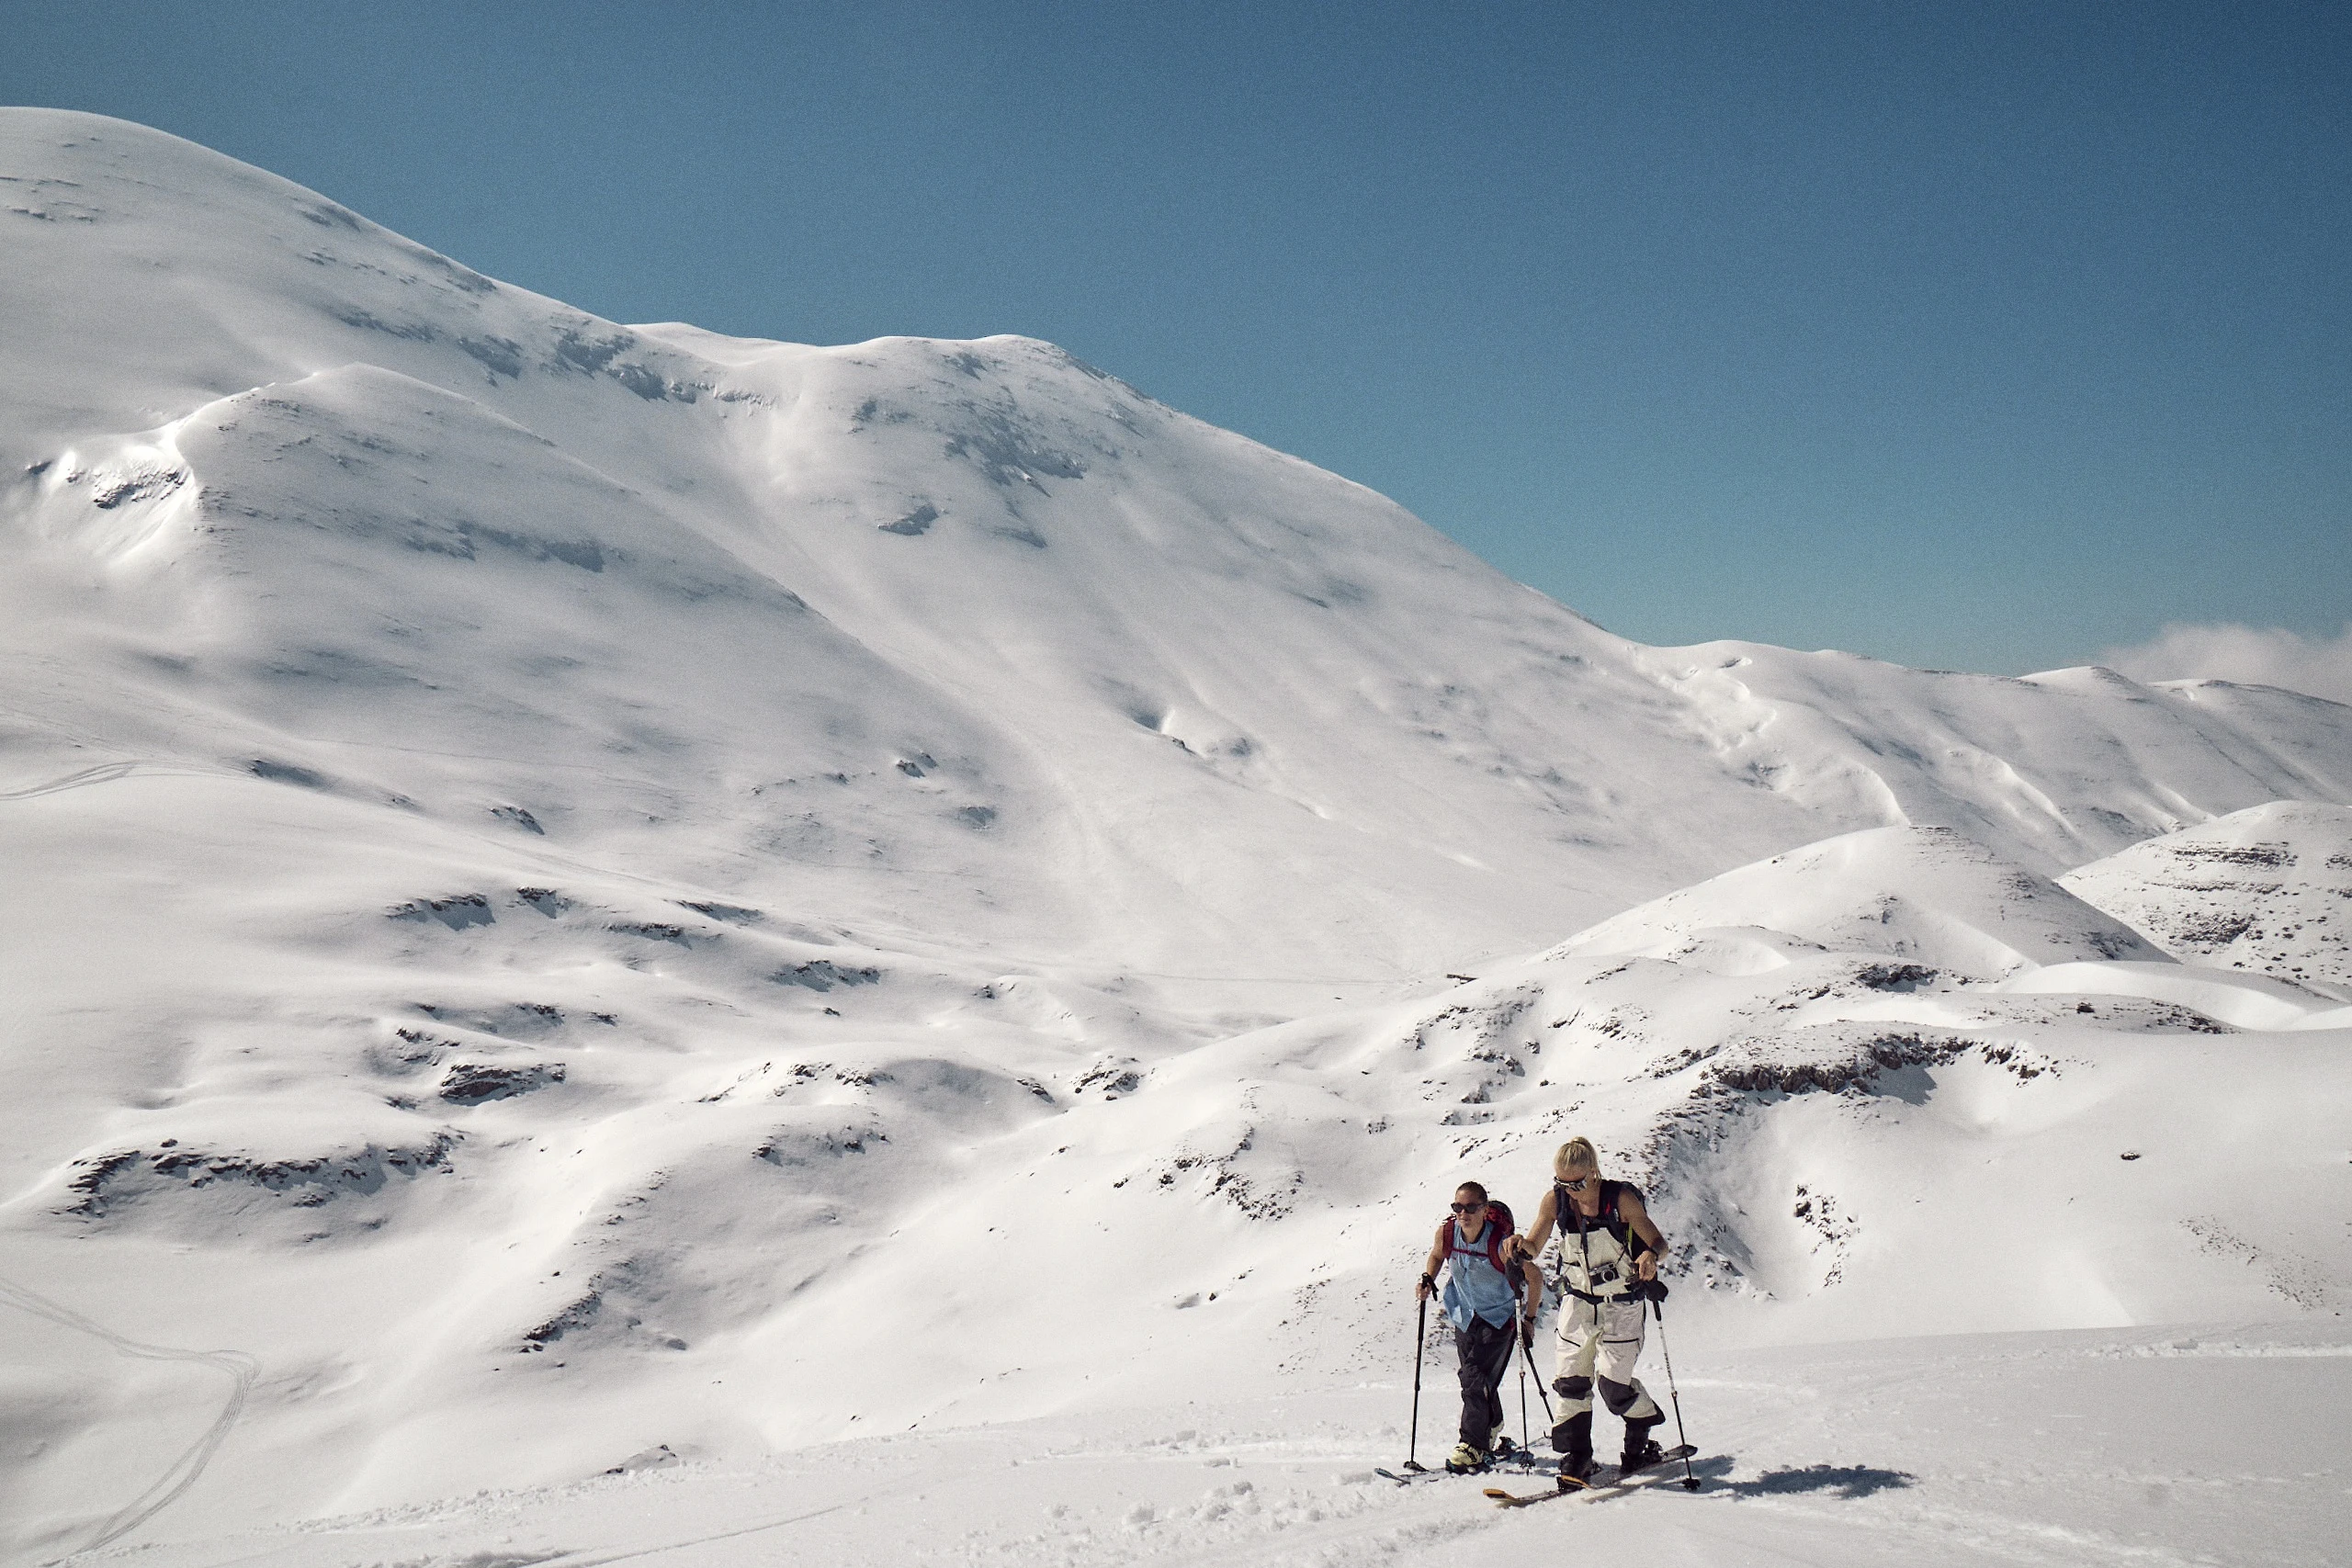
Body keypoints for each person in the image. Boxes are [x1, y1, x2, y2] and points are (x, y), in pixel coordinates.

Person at [1509, 1137, 1668, 1483]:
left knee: (1614, 1388)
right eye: (1562, 1183)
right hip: (1578, 1302)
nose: (1571, 1191)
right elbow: (1535, 1244)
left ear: (1594, 1173)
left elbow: (1658, 1242)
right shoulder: (1556, 1202)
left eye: (1578, 1183)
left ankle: (1640, 1433)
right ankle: (1576, 1457)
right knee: (1570, 1381)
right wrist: (1521, 1248)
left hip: (1621, 1305)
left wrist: (1650, 1256)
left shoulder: (1619, 1200)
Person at [1417, 1179, 1544, 1472]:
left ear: (1485, 1210)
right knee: (1476, 1379)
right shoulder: (1447, 1233)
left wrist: (1529, 1320)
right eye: (1458, 1207)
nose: (1463, 1213)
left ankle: (1472, 1444)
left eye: (1471, 1207)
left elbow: (1535, 1278)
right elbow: (1437, 1255)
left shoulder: (1499, 1245)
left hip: (1498, 1320)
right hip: (1463, 1314)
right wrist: (1428, 1277)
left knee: (1473, 1378)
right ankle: (1492, 1421)